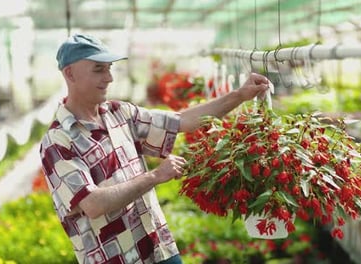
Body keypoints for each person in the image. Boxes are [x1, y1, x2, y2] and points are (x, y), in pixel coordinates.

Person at [39, 33, 271, 264]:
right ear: (69, 73)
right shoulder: (57, 141)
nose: (109, 78)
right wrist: (155, 176)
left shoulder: (119, 113)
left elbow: (182, 121)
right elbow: (92, 204)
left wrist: (240, 95)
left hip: (160, 248)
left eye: (109, 68)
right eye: (99, 69)